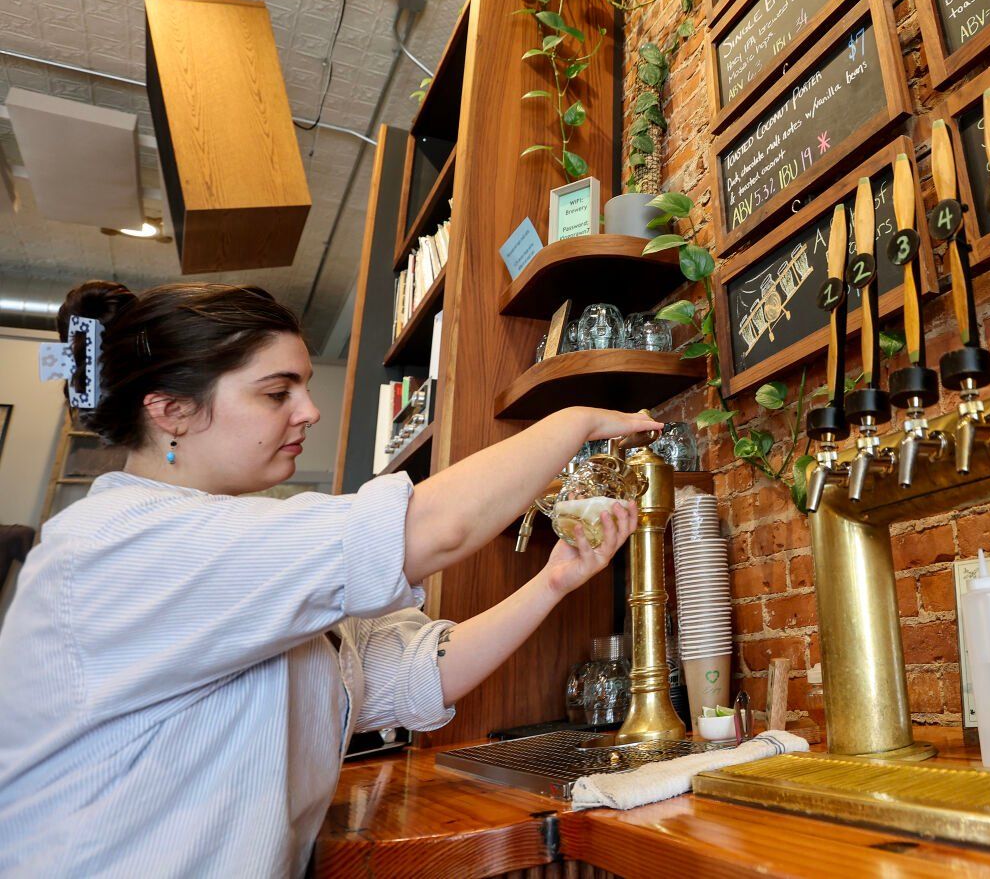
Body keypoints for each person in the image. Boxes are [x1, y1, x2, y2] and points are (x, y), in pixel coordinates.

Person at [0, 280, 660, 876]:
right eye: (275, 391)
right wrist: (574, 421)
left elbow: (408, 674)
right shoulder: (124, 544)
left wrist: (550, 581)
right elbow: (436, 528)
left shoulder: (235, 540)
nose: (308, 411)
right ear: (170, 410)